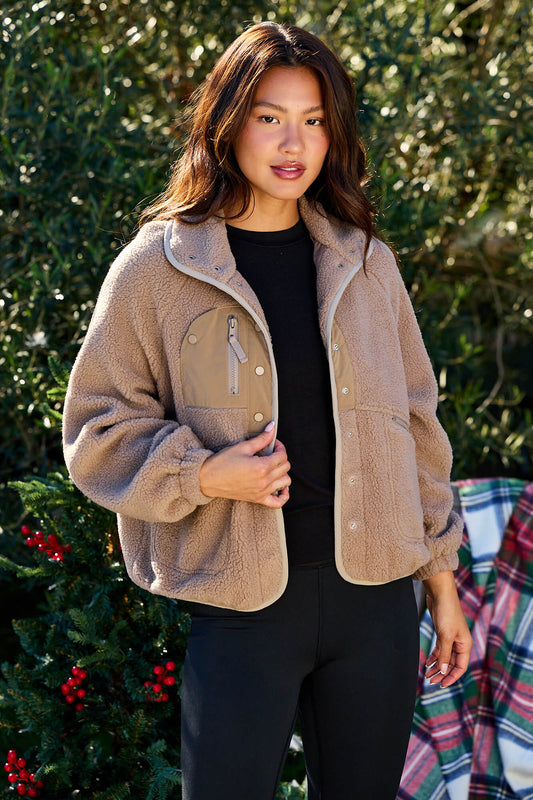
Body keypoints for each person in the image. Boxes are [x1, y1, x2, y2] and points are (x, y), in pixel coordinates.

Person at [62, 21, 473, 800]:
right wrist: (205, 473)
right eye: (270, 117)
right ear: (227, 123)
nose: (294, 142)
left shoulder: (364, 263)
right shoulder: (160, 267)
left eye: (313, 120)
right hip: (243, 608)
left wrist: (441, 587)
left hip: (376, 604)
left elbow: (419, 428)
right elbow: (94, 431)